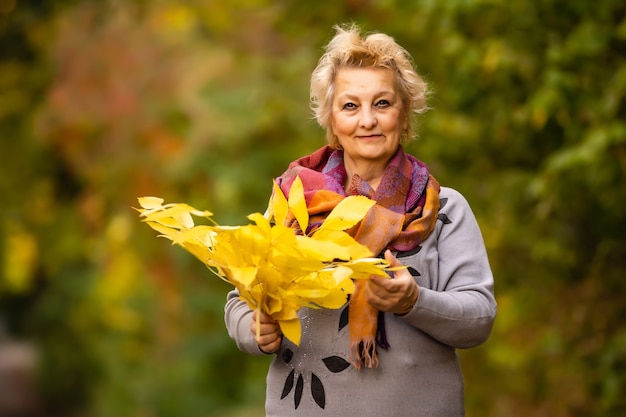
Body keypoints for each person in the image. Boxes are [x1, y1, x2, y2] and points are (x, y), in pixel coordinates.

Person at [224, 23, 496, 416]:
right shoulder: (291, 205)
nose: (367, 120)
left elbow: (479, 319)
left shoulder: (443, 211)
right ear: (331, 120)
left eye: (382, 103)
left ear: (405, 114)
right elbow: (239, 301)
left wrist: (414, 301)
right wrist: (254, 329)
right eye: (350, 106)